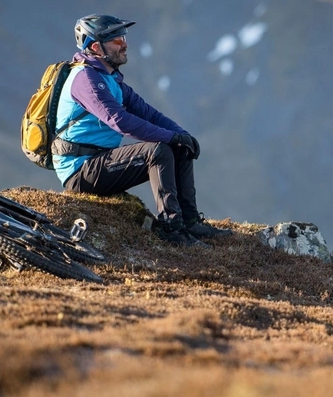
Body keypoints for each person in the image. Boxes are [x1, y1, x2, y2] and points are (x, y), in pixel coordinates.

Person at [52, 14, 232, 247]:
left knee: (178, 147)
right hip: (79, 172)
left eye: (123, 37)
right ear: (96, 47)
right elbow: (120, 121)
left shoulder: (111, 80)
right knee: (157, 151)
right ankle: (171, 228)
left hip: (99, 162)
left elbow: (147, 113)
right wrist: (170, 137)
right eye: (116, 40)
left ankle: (190, 221)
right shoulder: (84, 78)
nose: (125, 44)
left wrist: (182, 135)